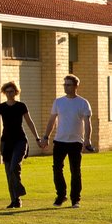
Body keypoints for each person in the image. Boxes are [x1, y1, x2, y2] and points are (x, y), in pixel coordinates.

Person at [0, 81, 42, 208]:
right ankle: (15, 200)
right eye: (7, 92)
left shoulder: (21, 106)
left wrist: (37, 138)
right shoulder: (1, 107)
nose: (10, 94)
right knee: (8, 172)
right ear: (4, 93)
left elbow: (29, 122)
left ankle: (20, 191)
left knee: (14, 167)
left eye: (12, 91)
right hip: (6, 141)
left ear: (16, 92)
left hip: (20, 140)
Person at [39, 74, 93, 208]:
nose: (66, 87)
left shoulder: (83, 103)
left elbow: (87, 123)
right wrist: (46, 137)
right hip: (59, 141)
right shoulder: (58, 102)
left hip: (75, 142)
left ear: (75, 86)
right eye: (64, 84)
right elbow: (52, 120)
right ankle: (61, 195)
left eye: (68, 85)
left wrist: (87, 139)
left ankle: (75, 199)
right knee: (57, 169)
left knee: (75, 170)